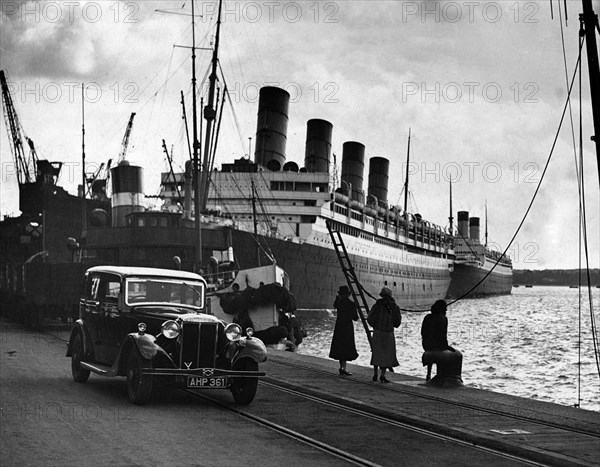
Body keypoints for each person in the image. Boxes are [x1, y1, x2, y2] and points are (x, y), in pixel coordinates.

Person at [367, 287, 401, 383]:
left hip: (378, 332)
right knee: (387, 354)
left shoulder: (377, 306)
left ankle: (375, 374)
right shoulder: (395, 307)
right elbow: (397, 323)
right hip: (388, 333)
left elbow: (369, 318)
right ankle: (383, 375)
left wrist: (375, 326)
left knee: (377, 353)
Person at [421, 299, 460, 382]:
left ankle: (429, 373)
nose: (446, 310)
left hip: (426, 345)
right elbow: (442, 335)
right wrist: (447, 346)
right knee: (455, 354)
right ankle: (442, 375)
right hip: (438, 345)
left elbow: (423, 332)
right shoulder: (443, 319)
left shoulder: (427, 317)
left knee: (433, 348)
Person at [329, 285, 359, 376]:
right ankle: (344, 368)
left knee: (339, 346)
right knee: (346, 346)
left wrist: (338, 297)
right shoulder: (351, 304)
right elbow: (355, 318)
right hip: (348, 327)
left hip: (339, 326)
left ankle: (341, 367)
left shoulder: (339, 303)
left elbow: (335, 304)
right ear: (348, 294)